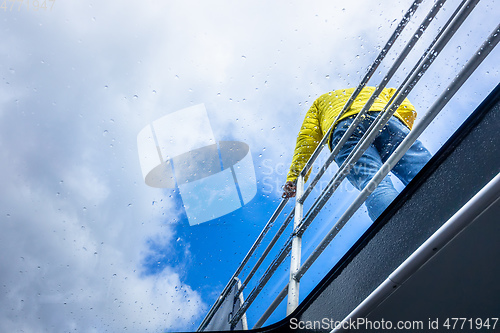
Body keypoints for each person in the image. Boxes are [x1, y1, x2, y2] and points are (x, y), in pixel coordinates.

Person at [282, 86, 432, 220]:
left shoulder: (320, 102)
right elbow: (406, 106)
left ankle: (396, 227)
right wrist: (400, 126)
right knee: (419, 166)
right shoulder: (374, 89)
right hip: (383, 114)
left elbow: (307, 139)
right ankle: (444, 194)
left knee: (373, 183)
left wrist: (294, 178)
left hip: (343, 129)